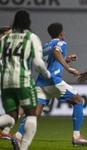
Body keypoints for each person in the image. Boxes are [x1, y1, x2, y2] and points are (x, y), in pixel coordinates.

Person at [12, 22, 87, 146]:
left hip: (41, 83)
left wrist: (67, 60)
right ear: (61, 33)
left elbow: (51, 60)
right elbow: (56, 51)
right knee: (78, 101)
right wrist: (69, 69)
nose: (64, 33)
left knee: (34, 114)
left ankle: (17, 136)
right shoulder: (60, 43)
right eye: (63, 31)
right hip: (54, 81)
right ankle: (76, 137)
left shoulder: (45, 47)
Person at [0, 9, 51, 150]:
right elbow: (38, 63)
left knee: (11, 116)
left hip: (5, 81)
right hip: (22, 80)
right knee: (32, 114)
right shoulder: (31, 37)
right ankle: (23, 148)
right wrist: (46, 74)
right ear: (28, 22)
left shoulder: (4, 39)